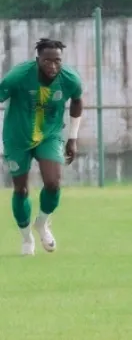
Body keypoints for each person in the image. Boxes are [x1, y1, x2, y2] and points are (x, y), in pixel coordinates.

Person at [0, 38, 83, 256]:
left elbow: (77, 101)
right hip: (17, 137)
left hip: (49, 135)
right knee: (21, 189)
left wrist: (72, 138)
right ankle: (26, 237)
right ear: (38, 60)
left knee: (53, 183)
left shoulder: (69, 78)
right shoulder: (18, 77)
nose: (53, 66)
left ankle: (42, 223)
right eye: (47, 61)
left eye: (57, 61)